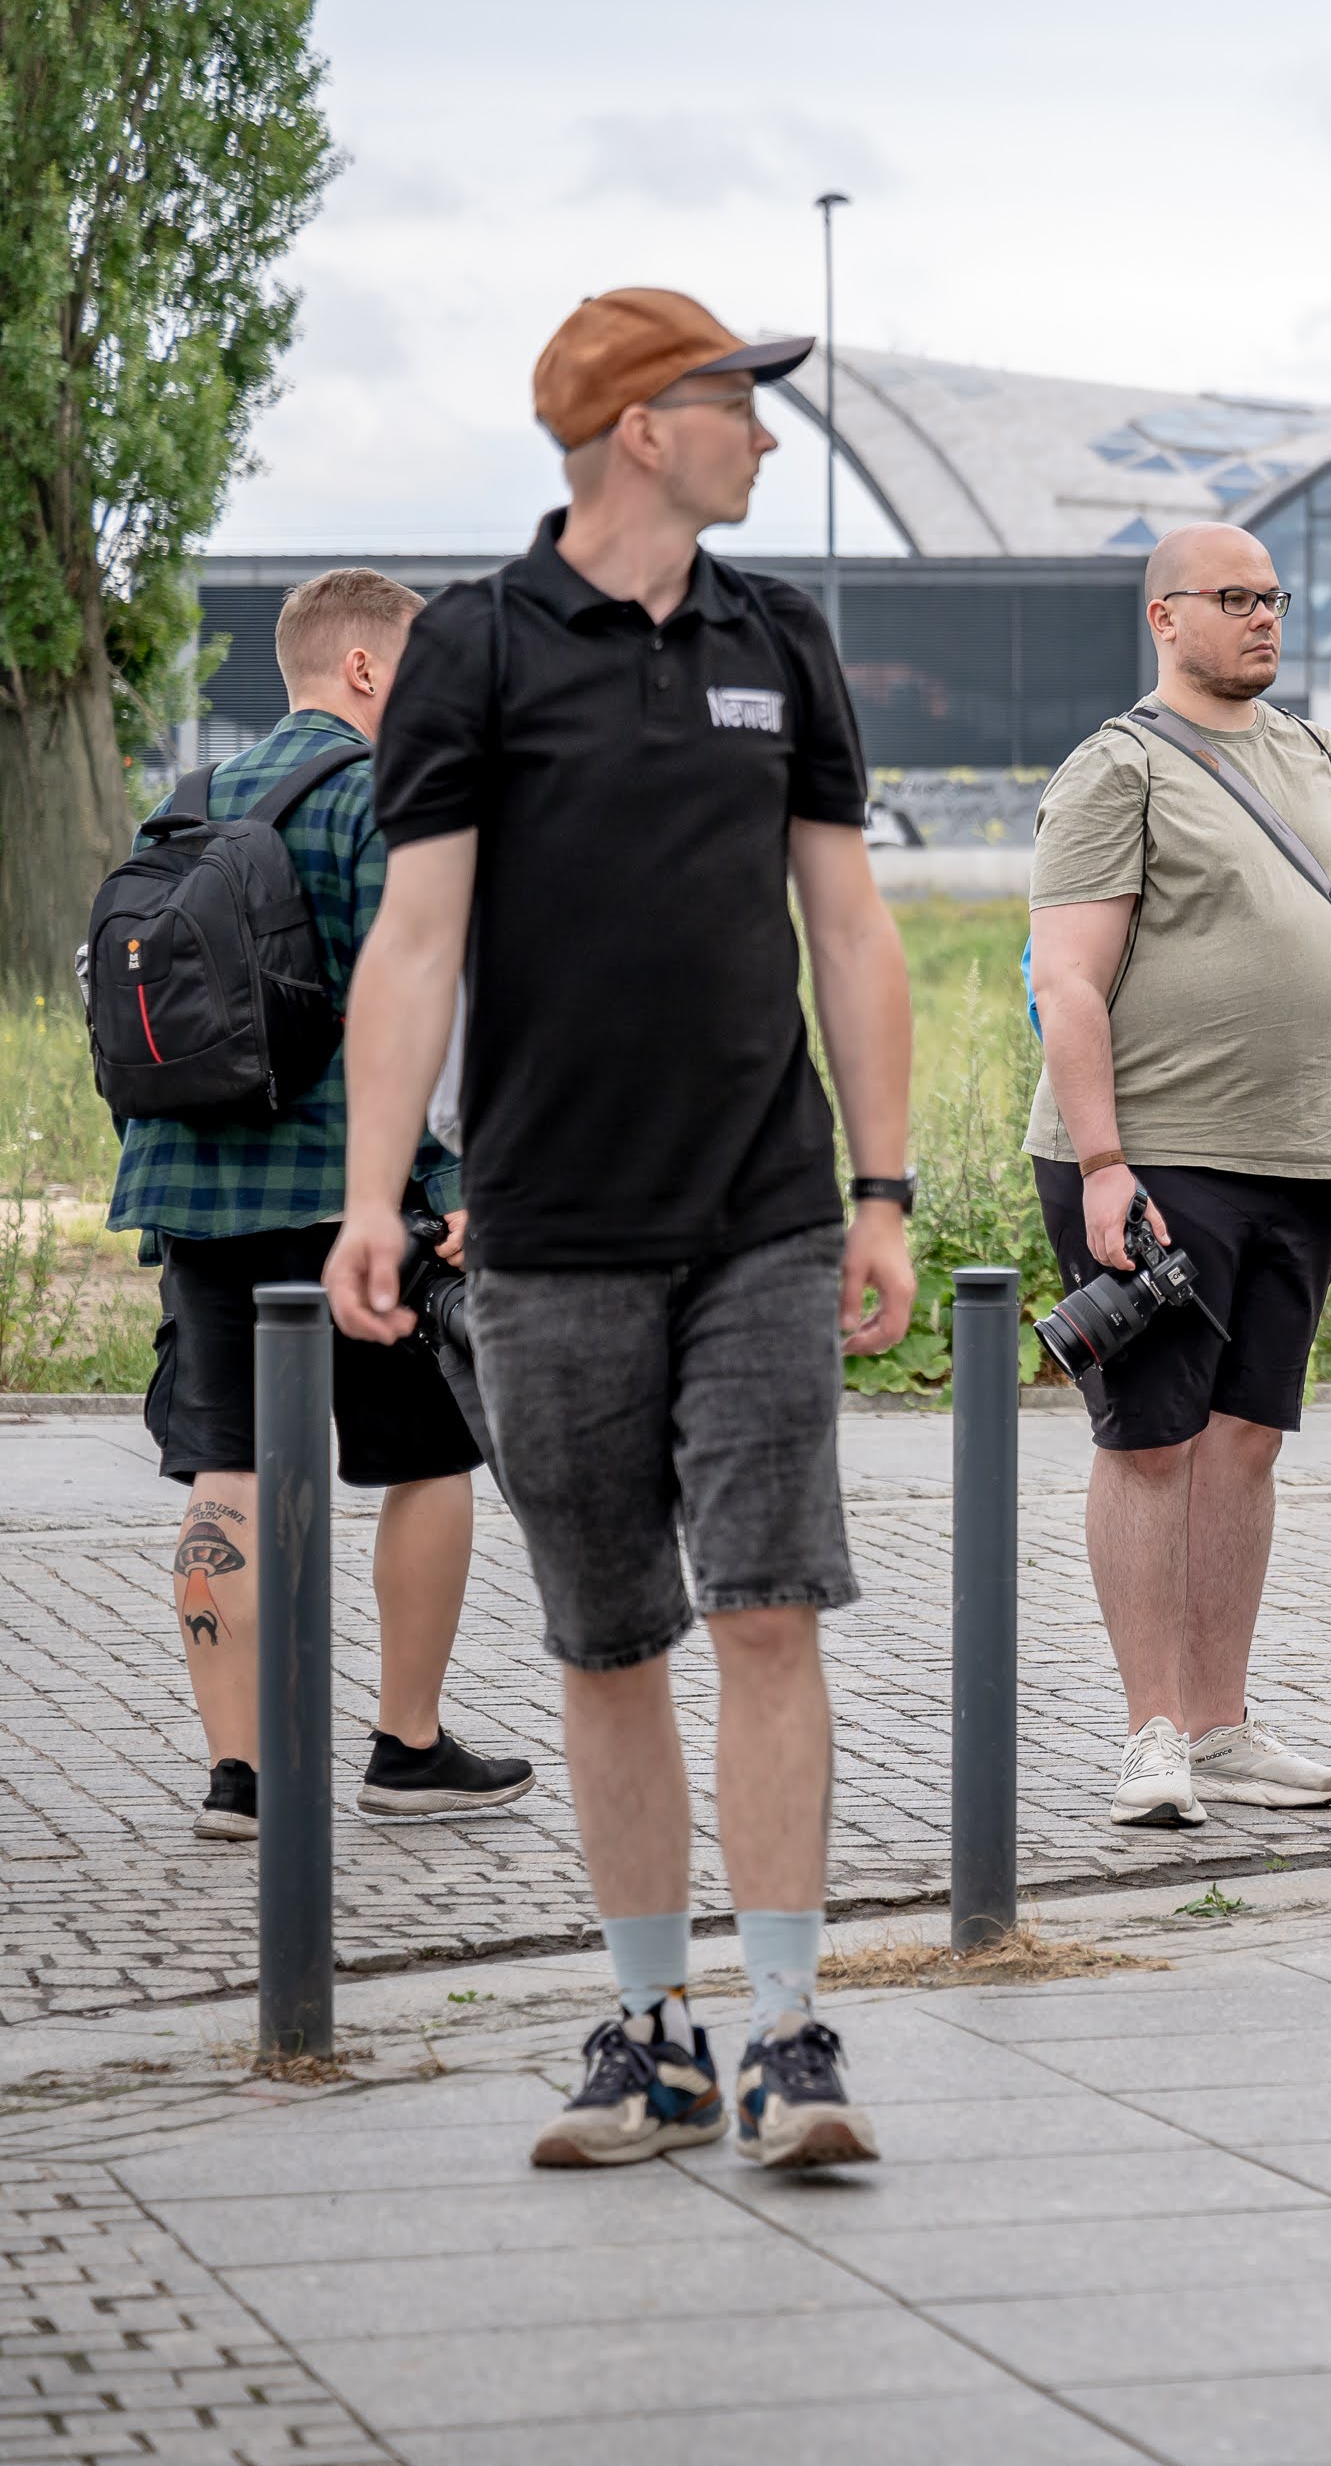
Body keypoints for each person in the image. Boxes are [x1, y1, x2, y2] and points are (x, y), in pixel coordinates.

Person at [327, 287, 917, 2173]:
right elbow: (416, 940)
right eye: (743, 400)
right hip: (549, 1225)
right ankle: (649, 2031)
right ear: (646, 425)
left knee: (765, 1606)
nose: (769, 430)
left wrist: (885, 1190)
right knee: (604, 1643)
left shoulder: (783, 638)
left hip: (762, 1208)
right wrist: (369, 1199)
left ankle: (789, 2033)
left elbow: (850, 922)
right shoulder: (479, 648)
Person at [107, 569, 533, 1844]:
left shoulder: (175, 810)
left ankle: (240, 1775)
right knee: (429, 1460)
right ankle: (405, 1748)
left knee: (220, 1469)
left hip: (194, 1190)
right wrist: (463, 1187)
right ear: (364, 672)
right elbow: (437, 1014)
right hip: (361, 1198)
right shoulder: (389, 802)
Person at [1028, 523, 1331, 1829]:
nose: (1264, 619)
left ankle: (1223, 1723)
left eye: (1275, 598)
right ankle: (1150, 1733)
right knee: (1151, 1445)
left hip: (1298, 1152)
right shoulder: (1116, 768)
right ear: (1164, 616)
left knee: (1243, 1443)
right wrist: (1107, 1159)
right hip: (1155, 1153)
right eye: (1234, 598)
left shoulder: (1315, 754)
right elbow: (1068, 977)